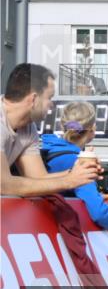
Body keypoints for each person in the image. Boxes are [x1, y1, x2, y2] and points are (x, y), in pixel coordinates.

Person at [1, 63, 100, 197]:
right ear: (34, 99)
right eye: (49, 97)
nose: (52, 105)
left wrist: (79, 172)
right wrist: (69, 181)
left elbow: (38, 178)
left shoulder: (28, 128)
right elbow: (5, 185)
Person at [40, 101, 108, 229]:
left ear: (62, 125)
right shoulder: (80, 162)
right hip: (62, 231)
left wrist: (99, 197)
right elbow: (99, 214)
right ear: (92, 129)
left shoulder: (43, 149)